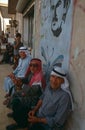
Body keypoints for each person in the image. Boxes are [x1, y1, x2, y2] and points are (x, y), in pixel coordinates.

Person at [25, 66, 73, 130]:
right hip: (39, 115)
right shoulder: (49, 86)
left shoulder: (64, 97)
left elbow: (58, 120)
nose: (54, 81)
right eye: (53, 77)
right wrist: (35, 110)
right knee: (22, 109)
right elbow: (42, 98)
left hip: (48, 126)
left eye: (58, 78)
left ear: (62, 81)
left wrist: (38, 120)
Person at [6, 58, 46, 130]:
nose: (32, 67)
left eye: (35, 65)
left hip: (35, 99)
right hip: (29, 94)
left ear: (39, 66)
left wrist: (21, 85)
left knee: (16, 101)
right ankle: (16, 113)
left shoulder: (39, 77)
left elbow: (33, 91)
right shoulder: (32, 74)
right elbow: (26, 79)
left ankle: (21, 123)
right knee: (15, 94)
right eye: (30, 65)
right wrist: (18, 80)